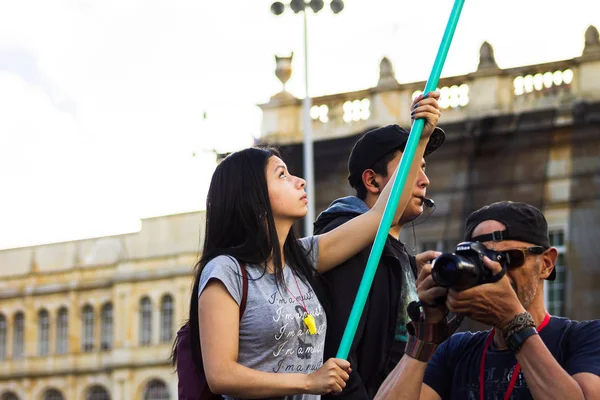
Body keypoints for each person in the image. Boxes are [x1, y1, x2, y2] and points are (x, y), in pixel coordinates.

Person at [183, 92, 442, 400]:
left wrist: (420, 138)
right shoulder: (225, 271)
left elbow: (381, 216)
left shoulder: (302, 258)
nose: (300, 181)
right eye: (282, 175)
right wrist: (308, 382)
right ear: (252, 195)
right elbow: (221, 375)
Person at [375, 201, 600, 400]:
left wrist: (515, 323)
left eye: (509, 258)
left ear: (547, 263)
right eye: (481, 262)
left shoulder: (584, 338)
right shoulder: (456, 350)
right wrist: (426, 334)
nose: (496, 271)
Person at [313, 115, 445, 399]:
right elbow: (339, 358)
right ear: (372, 180)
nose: (424, 181)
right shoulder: (352, 243)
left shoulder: (398, 255)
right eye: (410, 169)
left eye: (423, 168)